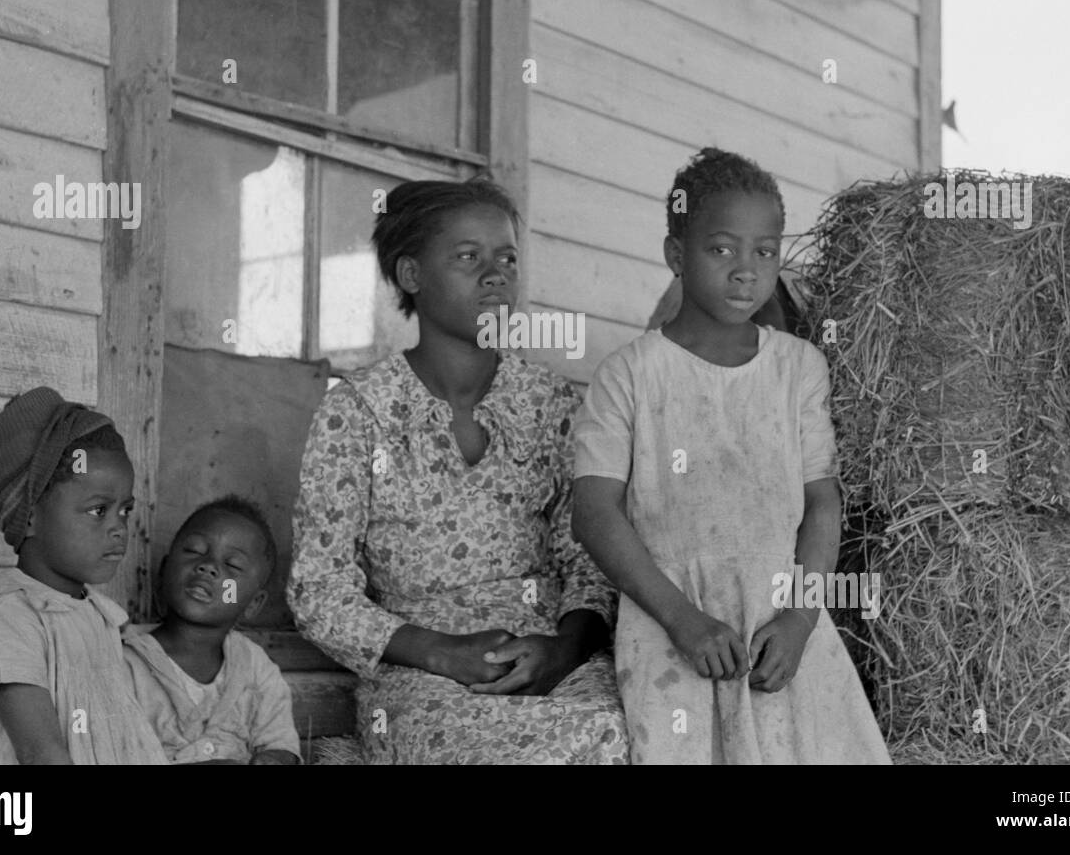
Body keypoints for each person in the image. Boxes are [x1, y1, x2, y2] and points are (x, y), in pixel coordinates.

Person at [287, 178, 628, 764]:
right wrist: (442, 652)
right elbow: (318, 588)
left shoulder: (550, 404)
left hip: (548, 655)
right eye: (469, 257)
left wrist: (563, 649)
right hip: (422, 670)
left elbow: (589, 555)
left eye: (507, 258)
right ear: (412, 276)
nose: (495, 275)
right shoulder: (359, 411)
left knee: (623, 730)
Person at [572, 148, 891, 764]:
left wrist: (799, 619)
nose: (746, 271)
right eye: (721, 249)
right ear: (675, 256)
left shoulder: (799, 368)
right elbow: (594, 514)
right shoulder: (630, 375)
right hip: (672, 629)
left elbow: (822, 501)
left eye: (764, 251)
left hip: (782, 626)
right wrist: (682, 619)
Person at [0, 387, 167, 764]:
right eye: (98, 510)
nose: (119, 528)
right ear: (29, 516)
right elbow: (40, 753)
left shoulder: (97, 615)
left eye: (125, 510)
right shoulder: (7, 614)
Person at [123, 496, 301, 764]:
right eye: (194, 551)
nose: (208, 567)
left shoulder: (257, 669)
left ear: (253, 603)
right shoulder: (124, 661)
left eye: (233, 565)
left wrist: (272, 759)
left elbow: (280, 745)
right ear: (163, 571)